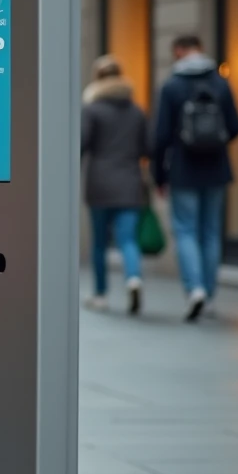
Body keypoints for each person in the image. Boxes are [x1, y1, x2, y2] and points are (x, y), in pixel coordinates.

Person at [152, 35, 238, 321]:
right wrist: (214, 143)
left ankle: (195, 289)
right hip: (217, 169)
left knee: (185, 231)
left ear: (179, 51)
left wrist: (159, 176)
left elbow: (160, 137)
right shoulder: (221, 83)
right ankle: (210, 296)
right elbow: (236, 126)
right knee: (211, 232)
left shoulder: (172, 86)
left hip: (183, 170)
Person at [81, 56, 149, 314]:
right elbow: (148, 147)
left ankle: (100, 294)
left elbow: (81, 143)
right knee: (128, 239)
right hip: (130, 181)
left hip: (100, 182)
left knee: (99, 242)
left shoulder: (92, 110)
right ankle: (133, 278)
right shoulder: (136, 111)